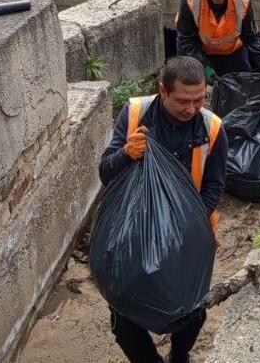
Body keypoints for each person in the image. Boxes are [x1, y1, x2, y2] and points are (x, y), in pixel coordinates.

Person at [99, 56, 229, 363]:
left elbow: (214, 188)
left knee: (191, 309)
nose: (192, 109)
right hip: (130, 231)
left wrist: (182, 227)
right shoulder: (134, 115)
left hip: (189, 235)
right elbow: (105, 173)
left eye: (199, 100)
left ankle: (180, 355)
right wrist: (126, 154)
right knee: (124, 310)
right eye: (183, 101)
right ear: (163, 91)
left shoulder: (211, 129)